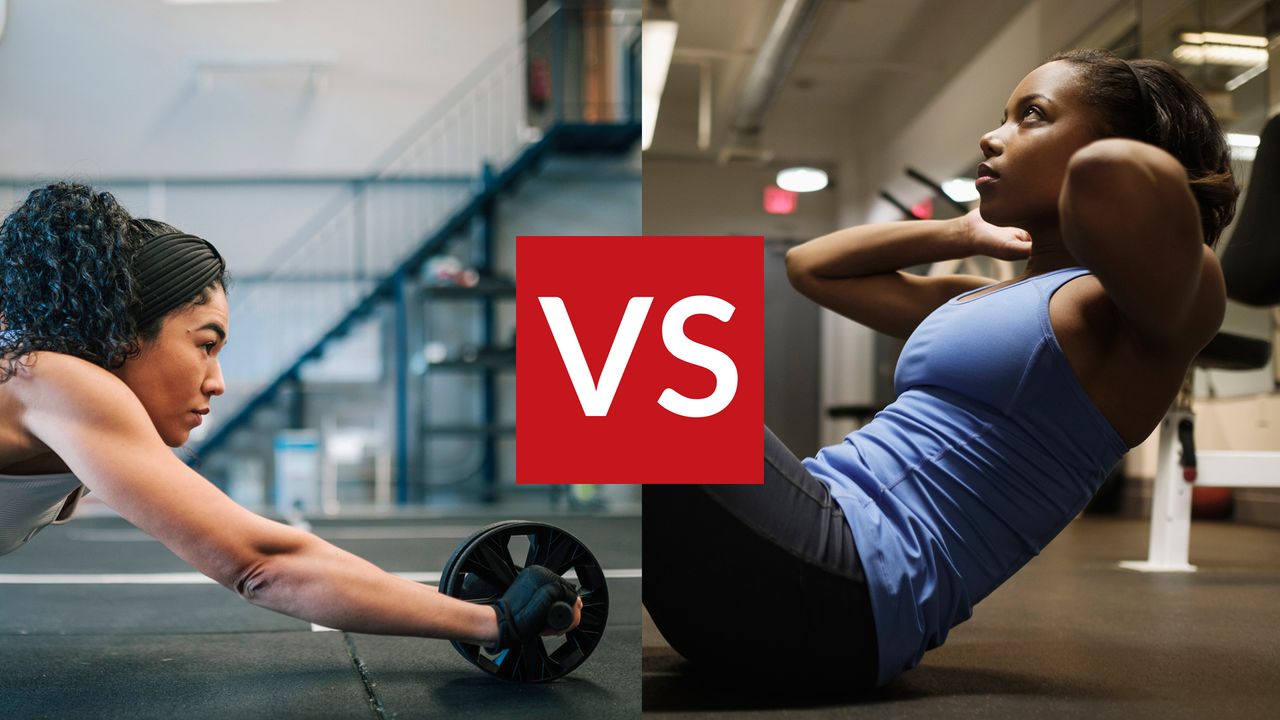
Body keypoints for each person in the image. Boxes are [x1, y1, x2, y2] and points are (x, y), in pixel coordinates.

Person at [643, 49, 1237, 689]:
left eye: (1030, 116)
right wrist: (960, 231)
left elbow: (1124, 181)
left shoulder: (1130, 321)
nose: (992, 135)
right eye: (1002, 117)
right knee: (613, 331)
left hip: (844, 591)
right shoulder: (984, 297)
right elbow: (810, 266)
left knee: (623, 332)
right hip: (794, 548)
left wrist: (1105, 185)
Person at [0, 182, 580, 654]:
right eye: (206, 344)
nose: (217, 381)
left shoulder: (52, 394)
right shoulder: (54, 381)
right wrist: (496, 623)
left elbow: (271, 553)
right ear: (123, 332)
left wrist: (468, 609)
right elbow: (261, 564)